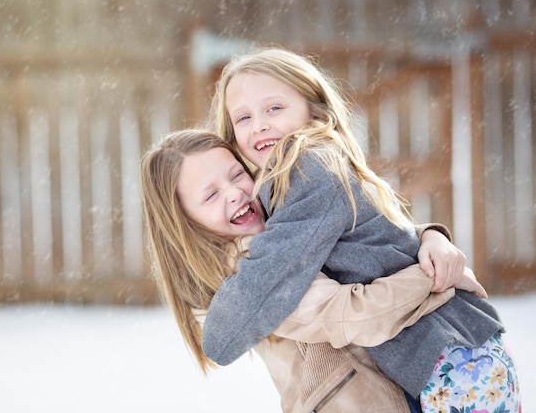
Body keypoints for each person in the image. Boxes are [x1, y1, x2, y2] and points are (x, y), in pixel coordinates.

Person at [202, 47, 521, 412]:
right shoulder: (298, 177)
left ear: (314, 111)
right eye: (243, 117)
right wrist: (431, 234)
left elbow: (272, 274)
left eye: (274, 108)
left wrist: (219, 336)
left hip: (452, 360)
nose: (259, 124)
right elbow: (385, 236)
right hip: (448, 357)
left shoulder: (311, 168)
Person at [140, 128, 486, 413]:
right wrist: (433, 277)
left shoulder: (276, 228)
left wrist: (430, 237)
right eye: (211, 195)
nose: (234, 193)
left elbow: (364, 234)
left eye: (236, 175)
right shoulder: (254, 276)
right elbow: (354, 315)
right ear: (184, 222)